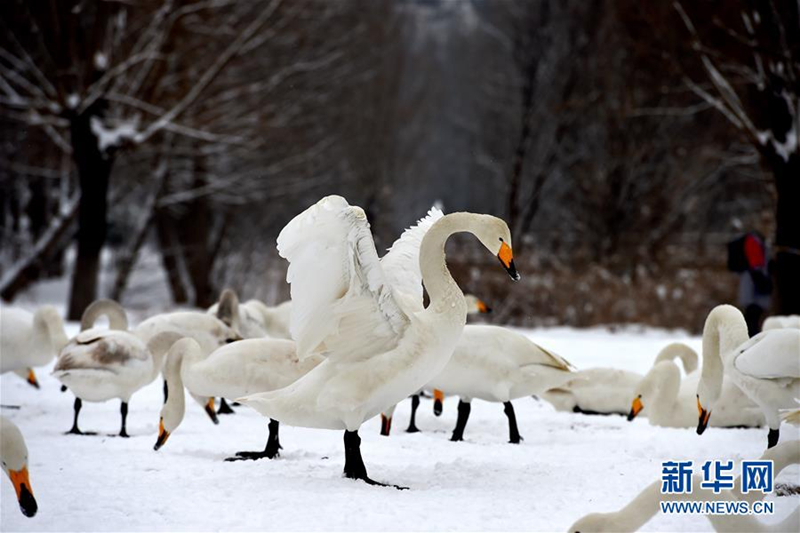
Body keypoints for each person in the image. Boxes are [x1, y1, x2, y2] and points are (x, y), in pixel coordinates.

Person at [728, 232, 772, 336]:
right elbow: (755, 261)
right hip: (753, 288)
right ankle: (750, 340)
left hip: (751, 287)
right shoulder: (754, 240)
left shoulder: (757, 240)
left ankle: (750, 339)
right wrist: (761, 279)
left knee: (752, 315)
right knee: (752, 315)